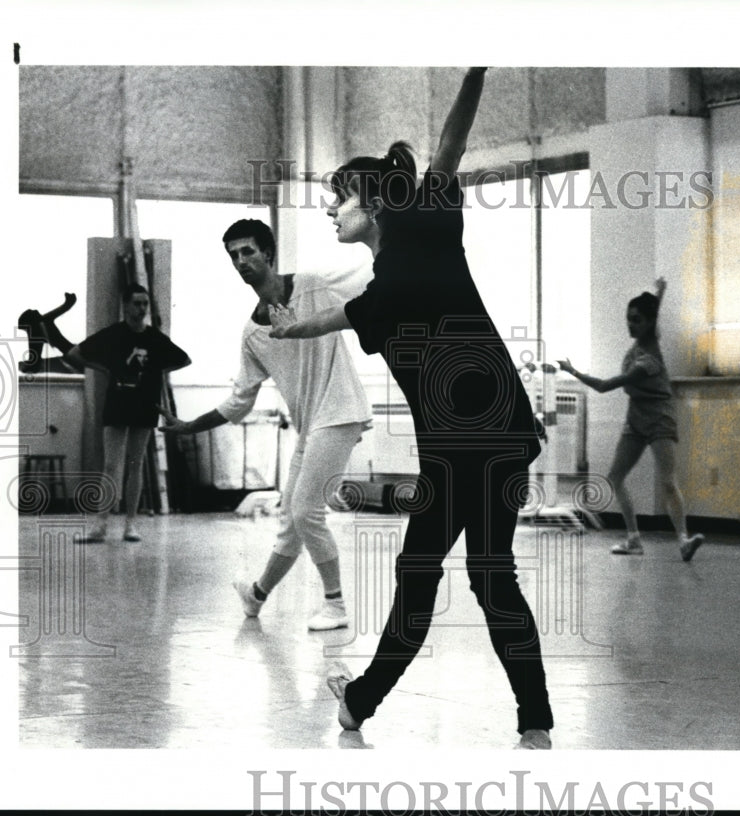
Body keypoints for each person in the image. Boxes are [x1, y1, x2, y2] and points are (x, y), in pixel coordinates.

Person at [268, 67, 554, 749]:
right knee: (489, 575)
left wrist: (476, 70)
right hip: (502, 436)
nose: (331, 211)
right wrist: (288, 327)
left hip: (466, 447)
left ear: (371, 199)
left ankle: (361, 703)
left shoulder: (425, 225)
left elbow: (449, 145)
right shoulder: (384, 285)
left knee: (427, 576)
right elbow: (336, 317)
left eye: (338, 199)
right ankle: (533, 721)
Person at [160, 219, 371, 632]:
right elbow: (239, 401)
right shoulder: (252, 333)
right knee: (291, 520)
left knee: (307, 511)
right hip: (312, 427)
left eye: (248, 252)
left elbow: (367, 278)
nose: (241, 261)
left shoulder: (312, 283)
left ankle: (336, 604)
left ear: (268, 254)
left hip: (341, 409)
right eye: (234, 255)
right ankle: (256, 594)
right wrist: (187, 427)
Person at [557, 278, 704, 561]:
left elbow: (603, 386)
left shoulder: (647, 361)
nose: (630, 325)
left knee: (668, 480)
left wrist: (573, 371)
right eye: (628, 319)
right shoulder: (646, 338)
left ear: (649, 323)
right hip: (635, 418)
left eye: (636, 320)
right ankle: (633, 539)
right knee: (615, 477)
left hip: (660, 417)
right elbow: (654, 310)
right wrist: (660, 291)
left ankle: (683, 540)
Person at [65, 283, 191, 542]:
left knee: (136, 464)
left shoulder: (154, 338)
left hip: (144, 404)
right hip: (117, 403)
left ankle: (130, 524)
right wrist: (104, 369)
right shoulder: (114, 334)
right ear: (125, 306)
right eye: (137, 303)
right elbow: (75, 354)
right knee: (111, 465)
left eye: (145, 304)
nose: (141, 309)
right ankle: (100, 525)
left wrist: (155, 373)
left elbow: (184, 359)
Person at [18, 292, 82, 374]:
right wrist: (67, 305)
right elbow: (52, 314)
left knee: (41, 323)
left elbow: (52, 314)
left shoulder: (42, 324)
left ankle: (33, 363)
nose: (36, 311)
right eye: (34, 313)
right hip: (74, 356)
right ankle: (33, 363)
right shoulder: (41, 324)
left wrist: (67, 305)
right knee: (41, 323)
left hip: (73, 355)